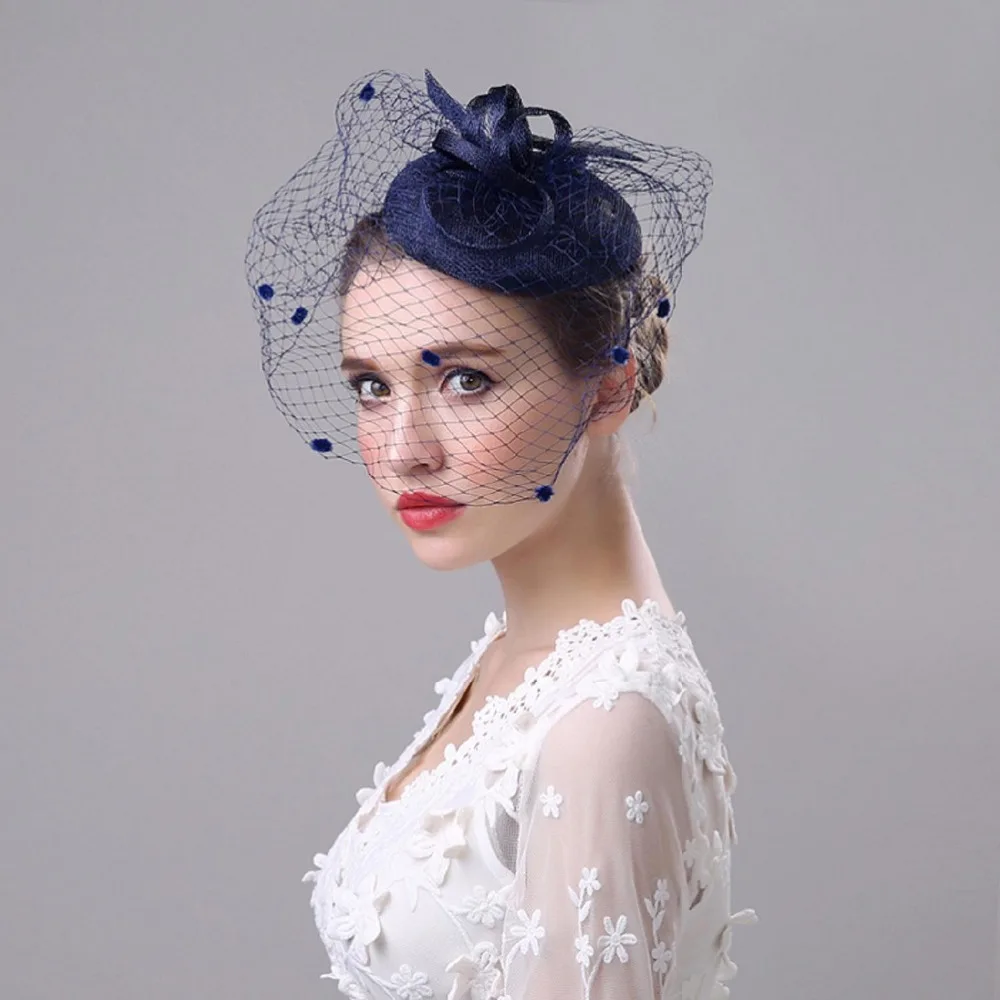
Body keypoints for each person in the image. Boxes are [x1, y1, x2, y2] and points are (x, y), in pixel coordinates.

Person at [246, 69, 757, 1000]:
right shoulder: (535, 662)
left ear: (607, 385)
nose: (405, 449)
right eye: (372, 386)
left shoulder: (602, 721)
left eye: (465, 379)